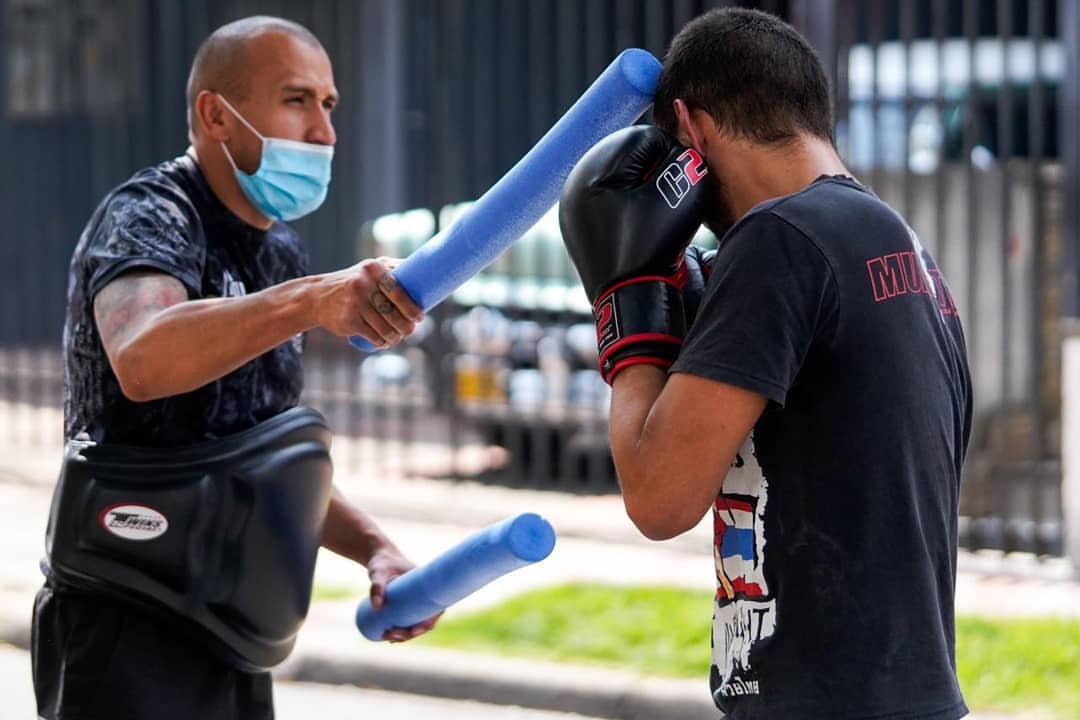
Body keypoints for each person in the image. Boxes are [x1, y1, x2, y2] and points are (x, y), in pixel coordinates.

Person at [559, 8, 971, 719]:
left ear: (691, 130)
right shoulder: (894, 245)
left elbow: (658, 500)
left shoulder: (778, 240)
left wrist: (627, 315)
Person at [33, 16, 437, 720]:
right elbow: (143, 357)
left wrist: (375, 549)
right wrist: (312, 302)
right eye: (296, 99)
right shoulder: (150, 216)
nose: (324, 132)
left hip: (230, 624)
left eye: (329, 105)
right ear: (216, 114)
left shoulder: (281, 254)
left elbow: (256, 463)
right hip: (125, 614)